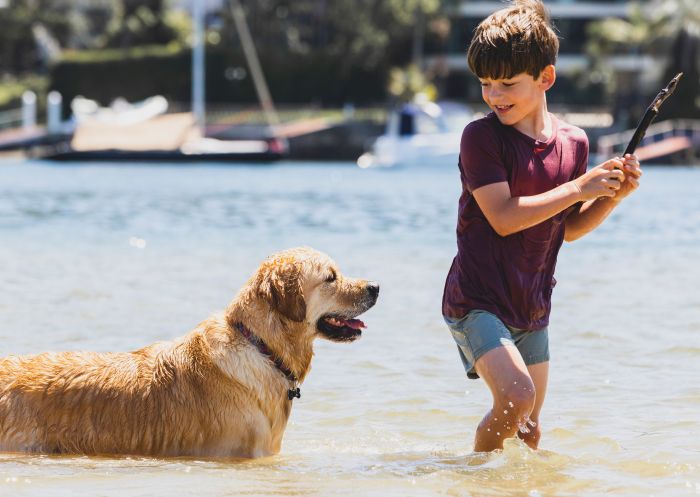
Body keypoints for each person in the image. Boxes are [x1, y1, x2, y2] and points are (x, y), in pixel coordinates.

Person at [442, 0, 642, 452]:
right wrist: (580, 189)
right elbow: (506, 218)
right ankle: (473, 481)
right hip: (477, 300)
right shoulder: (481, 137)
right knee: (516, 398)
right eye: (485, 84)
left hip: (532, 306)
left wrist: (611, 196)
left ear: (545, 78)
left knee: (528, 430)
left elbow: (566, 230)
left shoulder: (574, 143)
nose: (494, 95)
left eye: (507, 83)